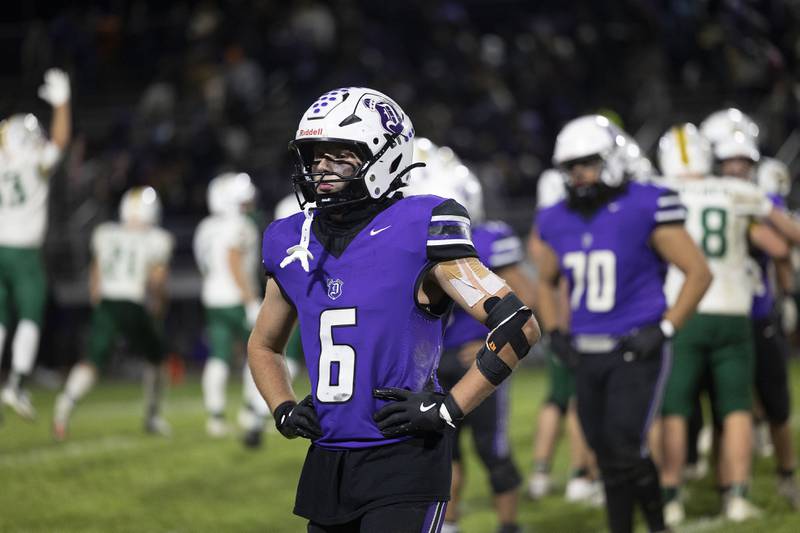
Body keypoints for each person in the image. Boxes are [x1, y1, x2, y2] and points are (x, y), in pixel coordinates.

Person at [247, 87, 540, 533]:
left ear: (384, 158)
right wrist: (282, 406)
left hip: (404, 456)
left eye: (340, 155)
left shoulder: (421, 226)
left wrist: (449, 408)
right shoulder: (291, 239)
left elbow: (518, 324)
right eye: (315, 156)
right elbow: (264, 345)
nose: (321, 169)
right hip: (327, 457)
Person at [531, 115, 712, 533]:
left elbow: (698, 272)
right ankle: (655, 524)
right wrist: (555, 330)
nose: (578, 174)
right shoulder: (558, 218)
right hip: (586, 352)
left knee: (622, 450)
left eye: (587, 163)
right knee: (606, 450)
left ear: (610, 159)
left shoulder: (645, 204)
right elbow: (546, 278)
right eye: (570, 166)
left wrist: (666, 328)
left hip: (636, 346)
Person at [656, 123, 789, 524]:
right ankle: (736, 497)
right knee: (735, 410)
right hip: (733, 311)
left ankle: (671, 497)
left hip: (683, 311)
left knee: (675, 410)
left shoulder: (657, 191)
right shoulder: (737, 190)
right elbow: (787, 237)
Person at [406, 138, 532, 533]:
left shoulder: (487, 238)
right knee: (455, 450)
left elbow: (519, 305)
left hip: (454, 359)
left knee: (476, 451)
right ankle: (464, 525)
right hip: (445, 361)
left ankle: (491, 525)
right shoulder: (416, 243)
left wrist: (490, 337)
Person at [52, 187, 174, 440]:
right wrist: (159, 307)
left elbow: (95, 275)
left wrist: (98, 302)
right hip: (133, 302)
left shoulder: (106, 233)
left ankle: (64, 405)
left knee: (92, 361)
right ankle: (152, 416)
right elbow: (157, 280)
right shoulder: (158, 239)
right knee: (156, 357)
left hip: (107, 302)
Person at [0, 68, 71, 420]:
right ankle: (16, 384)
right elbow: (58, 143)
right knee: (29, 315)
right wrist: (62, 104)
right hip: (24, 250)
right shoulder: (31, 159)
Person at [528, 167, 601, 505]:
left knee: (555, 398)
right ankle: (580, 474)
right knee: (577, 399)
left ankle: (541, 473)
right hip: (573, 321)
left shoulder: (541, 228)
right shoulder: (567, 224)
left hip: (553, 318)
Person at [194, 172, 268, 443]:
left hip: (212, 296)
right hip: (236, 298)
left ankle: (215, 416)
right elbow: (234, 262)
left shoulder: (206, 227)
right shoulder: (240, 226)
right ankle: (250, 410)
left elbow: (204, 265)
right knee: (259, 352)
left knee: (219, 356)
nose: (249, 204)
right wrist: (250, 300)